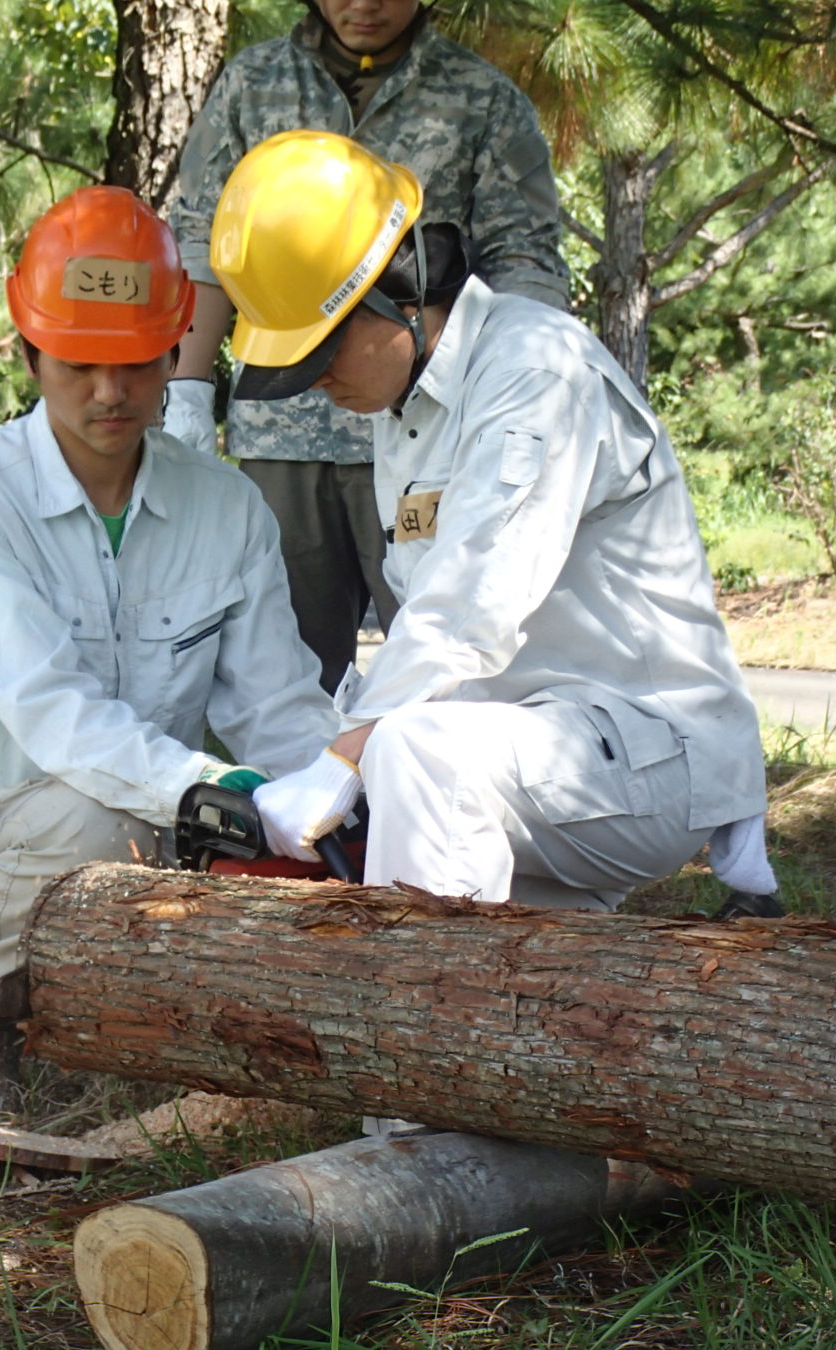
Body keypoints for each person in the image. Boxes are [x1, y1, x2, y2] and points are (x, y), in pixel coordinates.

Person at [208, 130, 781, 924]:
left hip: (649, 753)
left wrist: (344, 759)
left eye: (322, 352)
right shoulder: (403, 403)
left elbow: (469, 606)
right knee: (541, 969)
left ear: (397, 291)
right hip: (531, 758)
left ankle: (423, 1033)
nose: (317, 384)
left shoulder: (533, 372)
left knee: (413, 758)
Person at [0, 186, 337, 1117]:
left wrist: (330, 804)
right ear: (28, 353)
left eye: (136, 363)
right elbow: (52, 711)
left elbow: (281, 706)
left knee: (297, 845)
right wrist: (208, 795)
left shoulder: (226, 506)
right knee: (98, 821)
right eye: (79, 363)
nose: (109, 392)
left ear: (176, 352)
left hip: (166, 823)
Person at [165, 0, 571, 693]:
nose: (365, 4)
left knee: (447, 669)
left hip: (433, 433)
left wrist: (512, 397)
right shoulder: (252, 84)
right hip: (283, 434)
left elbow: (525, 261)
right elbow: (205, 243)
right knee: (278, 679)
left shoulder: (482, 98)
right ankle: (303, 804)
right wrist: (188, 392)